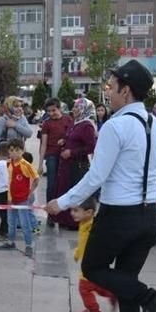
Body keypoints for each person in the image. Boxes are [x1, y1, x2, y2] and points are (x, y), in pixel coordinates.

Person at [45, 60, 156, 312]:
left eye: (111, 87)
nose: (108, 92)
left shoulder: (115, 126)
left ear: (126, 91)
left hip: (119, 216)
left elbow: (95, 177)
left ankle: (150, 298)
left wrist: (60, 202)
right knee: (125, 280)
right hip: (149, 217)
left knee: (93, 267)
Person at [52, 98, 97, 229]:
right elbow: (71, 137)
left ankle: (73, 222)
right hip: (67, 165)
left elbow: (91, 147)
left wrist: (71, 152)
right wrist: (63, 141)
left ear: (85, 109)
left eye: (78, 107)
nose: (75, 110)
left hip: (77, 165)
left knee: (73, 191)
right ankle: (64, 220)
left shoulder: (87, 125)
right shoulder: (76, 122)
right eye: (75, 107)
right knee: (64, 190)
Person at [71, 196, 117, 312]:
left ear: (89, 212)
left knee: (84, 288)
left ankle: (94, 311)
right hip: (91, 264)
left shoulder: (92, 226)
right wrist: (77, 253)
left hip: (91, 265)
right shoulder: (84, 223)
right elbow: (82, 243)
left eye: (76, 210)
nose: (72, 213)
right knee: (96, 286)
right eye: (72, 210)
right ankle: (112, 293)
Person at [0, 138, 39, 257]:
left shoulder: (26, 165)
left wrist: (30, 193)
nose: (14, 153)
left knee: (25, 223)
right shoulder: (9, 164)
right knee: (11, 221)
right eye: (11, 150)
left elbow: (36, 179)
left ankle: (28, 245)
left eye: (17, 150)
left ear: (22, 150)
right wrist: (9, 198)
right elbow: (10, 182)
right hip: (12, 198)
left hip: (23, 200)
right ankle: (11, 242)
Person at [38, 98, 73, 225]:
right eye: (49, 111)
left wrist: (65, 140)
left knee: (64, 185)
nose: (52, 113)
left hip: (65, 156)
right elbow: (43, 144)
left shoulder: (68, 120)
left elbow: (72, 136)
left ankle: (63, 215)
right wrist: (40, 164)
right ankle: (51, 215)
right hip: (51, 156)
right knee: (51, 185)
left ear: (60, 108)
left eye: (54, 110)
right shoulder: (47, 124)